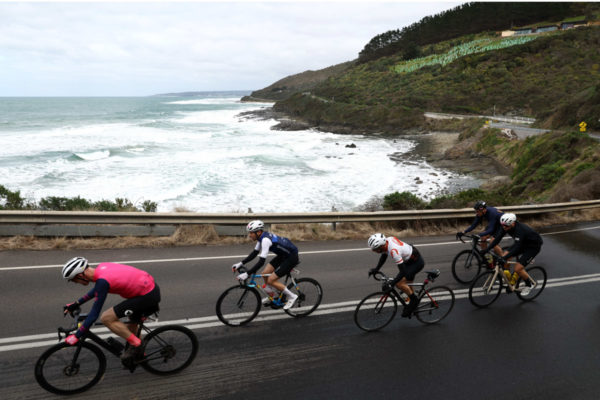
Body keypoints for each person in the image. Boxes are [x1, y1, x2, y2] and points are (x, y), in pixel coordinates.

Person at [61, 257, 160, 368]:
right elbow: (97, 290)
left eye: (74, 280)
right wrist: (76, 303)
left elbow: (94, 314)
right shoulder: (101, 269)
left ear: (80, 275)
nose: (76, 283)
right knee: (130, 327)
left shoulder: (102, 281)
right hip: (147, 289)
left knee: (107, 318)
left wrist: (77, 335)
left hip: (146, 296)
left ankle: (137, 345)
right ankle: (140, 355)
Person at [232, 220, 299, 310]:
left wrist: (247, 274)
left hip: (291, 257)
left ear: (258, 232)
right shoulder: (261, 238)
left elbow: (261, 262)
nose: (249, 235)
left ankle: (292, 296)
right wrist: (240, 263)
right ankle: (272, 295)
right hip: (283, 255)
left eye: (251, 233)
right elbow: (254, 253)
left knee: (271, 279)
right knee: (265, 273)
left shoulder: (265, 240)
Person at [483, 213, 543, 296]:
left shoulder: (520, 230)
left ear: (513, 223)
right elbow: (497, 239)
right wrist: (487, 249)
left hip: (532, 247)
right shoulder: (505, 226)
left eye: (506, 226)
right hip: (522, 243)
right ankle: (509, 281)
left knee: (518, 268)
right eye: (503, 225)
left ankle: (529, 284)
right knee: (505, 258)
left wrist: (505, 257)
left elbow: (517, 247)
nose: (504, 228)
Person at [367, 233, 424, 318]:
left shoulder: (394, 250)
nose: (374, 251)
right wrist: (376, 269)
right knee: (406, 283)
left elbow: (403, 272)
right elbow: (384, 255)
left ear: (381, 246)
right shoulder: (387, 241)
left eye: (375, 249)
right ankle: (413, 302)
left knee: (399, 284)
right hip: (409, 260)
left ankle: (414, 301)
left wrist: (392, 284)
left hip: (416, 263)